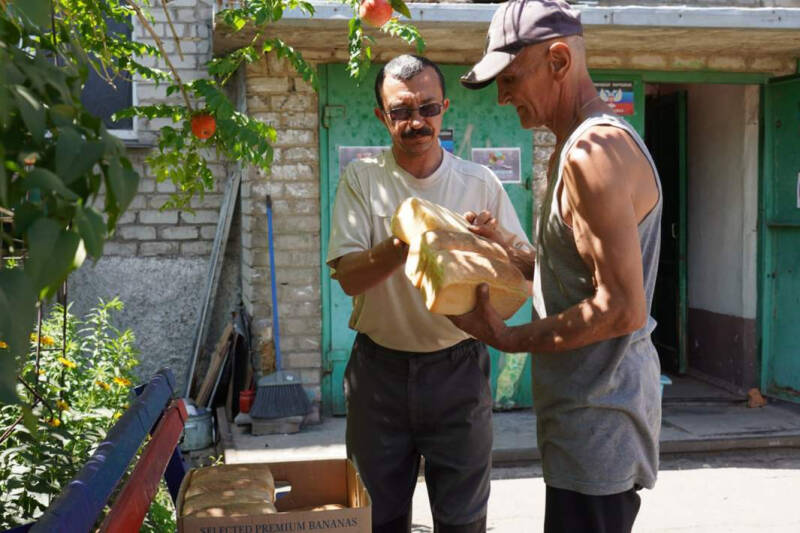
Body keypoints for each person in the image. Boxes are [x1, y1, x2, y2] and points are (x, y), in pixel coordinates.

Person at [454, 1, 663, 532]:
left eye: (511, 77)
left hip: (600, 419)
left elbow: (620, 309)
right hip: (580, 417)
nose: (502, 96)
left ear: (560, 60)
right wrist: (501, 244)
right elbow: (570, 275)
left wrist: (506, 337)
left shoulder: (593, 152)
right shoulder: (572, 146)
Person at [326, 54, 531, 533]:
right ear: (382, 115)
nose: (416, 121)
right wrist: (407, 240)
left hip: (458, 371)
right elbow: (350, 278)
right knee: (378, 520)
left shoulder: (478, 182)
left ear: (444, 108)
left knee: (462, 520)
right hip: (378, 372)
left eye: (427, 107)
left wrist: (493, 241)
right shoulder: (362, 179)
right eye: (400, 111)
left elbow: (520, 272)